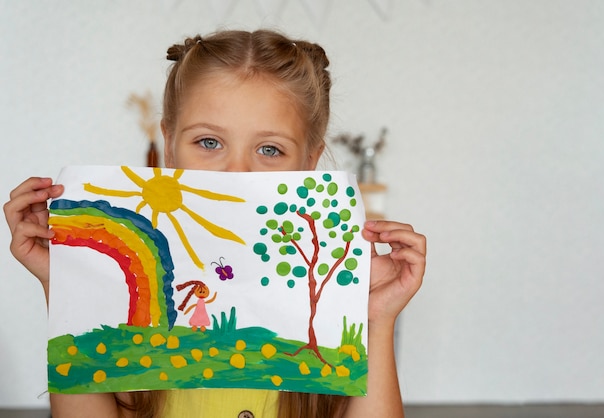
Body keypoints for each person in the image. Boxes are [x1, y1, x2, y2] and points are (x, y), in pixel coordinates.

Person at [4, 29, 426, 418]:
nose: (236, 172)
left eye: (270, 149)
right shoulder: (129, 309)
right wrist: (64, 288)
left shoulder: (330, 313)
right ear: (170, 146)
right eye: (209, 142)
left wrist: (376, 320)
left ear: (310, 164)